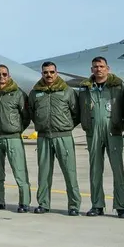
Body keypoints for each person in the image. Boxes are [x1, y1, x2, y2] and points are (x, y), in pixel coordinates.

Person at [77, 57, 124, 218]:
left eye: (101, 66)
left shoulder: (118, 86)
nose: (98, 69)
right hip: (93, 131)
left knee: (117, 169)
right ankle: (97, 205)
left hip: (112, 130)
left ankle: (121, 206)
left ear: (108, 68)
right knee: (95, 169)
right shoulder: (85, 88)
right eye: (95, 67)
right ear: (91, 69)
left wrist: (122, 124)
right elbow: (79, 109)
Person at [29, 61, 81, 215]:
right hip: (44, 137)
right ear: (42, 74)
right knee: (44, 172)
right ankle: (43, 204)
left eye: (52, 72)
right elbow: (32, 112)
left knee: (69, 172)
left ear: (56, 73)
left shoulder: (67, 91)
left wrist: (66, 126)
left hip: (63, 136)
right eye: (45, 72)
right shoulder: (35, 93)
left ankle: (74, 205)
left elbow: (76, 112)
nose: (49, 75)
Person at [0, 65, 31, 213]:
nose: (1, 77)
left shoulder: (18, 93)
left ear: (9, 76)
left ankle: (24, 202)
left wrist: (16, 129)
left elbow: (26, 116)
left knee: (20, 171)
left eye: (4, 74)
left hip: (13, 138)